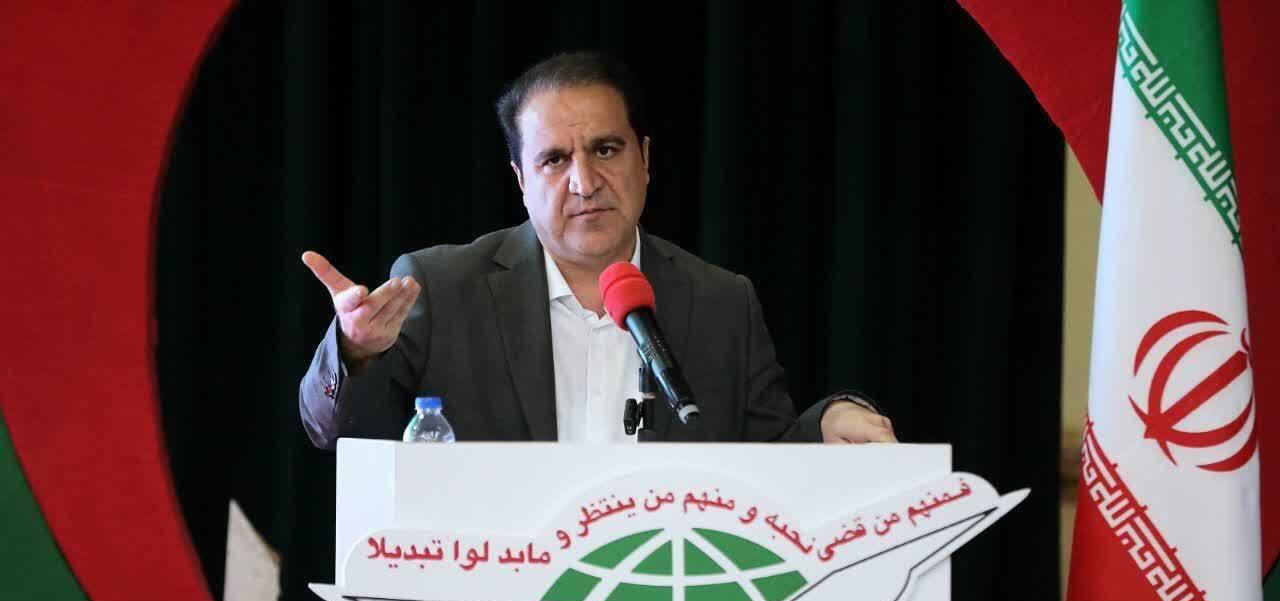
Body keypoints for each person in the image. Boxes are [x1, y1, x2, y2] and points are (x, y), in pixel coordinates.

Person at [299, 51, 894, 447]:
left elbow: (768, 463)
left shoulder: (721, 302)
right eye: (555, 160)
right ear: (521, 180)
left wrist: (828, 420)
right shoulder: (442, 287)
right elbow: (334, 433)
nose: (584, 182)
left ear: (645, 159)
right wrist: (355, 353)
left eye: (606, 150)